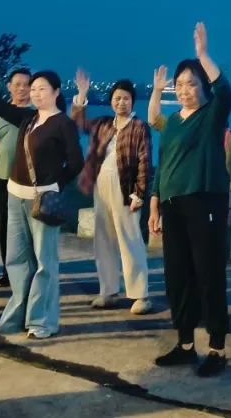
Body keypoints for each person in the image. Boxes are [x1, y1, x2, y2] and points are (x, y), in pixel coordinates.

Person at [147, 22, 231, 377]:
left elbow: (225, 90)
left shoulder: (211, 116)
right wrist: (154, 202)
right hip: (172, 205)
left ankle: (217, 349)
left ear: (203, 87)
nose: (184, 90)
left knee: (208, 275)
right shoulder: (172, 123)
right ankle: (185, 344)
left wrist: (203, 55)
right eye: (179, 85)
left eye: (191, 84)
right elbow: (162, 160)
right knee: (177, 276)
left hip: (204, 202)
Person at [0, 44, 83, 340]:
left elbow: (76, 162)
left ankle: (42, 321)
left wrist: (54, 185)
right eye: (33, 89)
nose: (35, 93)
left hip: (42, 200)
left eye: (41, 89)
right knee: (16, 259)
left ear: (56, 91)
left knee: (44, 263)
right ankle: (17, 315)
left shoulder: (62, 124)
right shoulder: (28, 118)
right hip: (15, 195)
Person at [72, 70, 154, 315]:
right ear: (111, 101)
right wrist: (82, 95)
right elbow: (79, 124)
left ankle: (140, 295)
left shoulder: (138, 127)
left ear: (133, 101)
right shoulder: (103, 124)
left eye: (126, 98)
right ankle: (108, 291)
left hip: (125, 187)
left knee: (130, 240)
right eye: (117, 98)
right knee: (103, 240)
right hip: (101, 185)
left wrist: (139, 193)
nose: (121, 102)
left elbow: (145, 161)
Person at [0, 68, 34, 289]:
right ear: (9, 87)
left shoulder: (36, 113)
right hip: (2, 177)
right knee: (5, 227)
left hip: (28, 181)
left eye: (27, 85)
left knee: (28, 229)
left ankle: (30, 270)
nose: (22, 89)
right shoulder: (0, 113)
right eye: (17, 84)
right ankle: (9, 272)